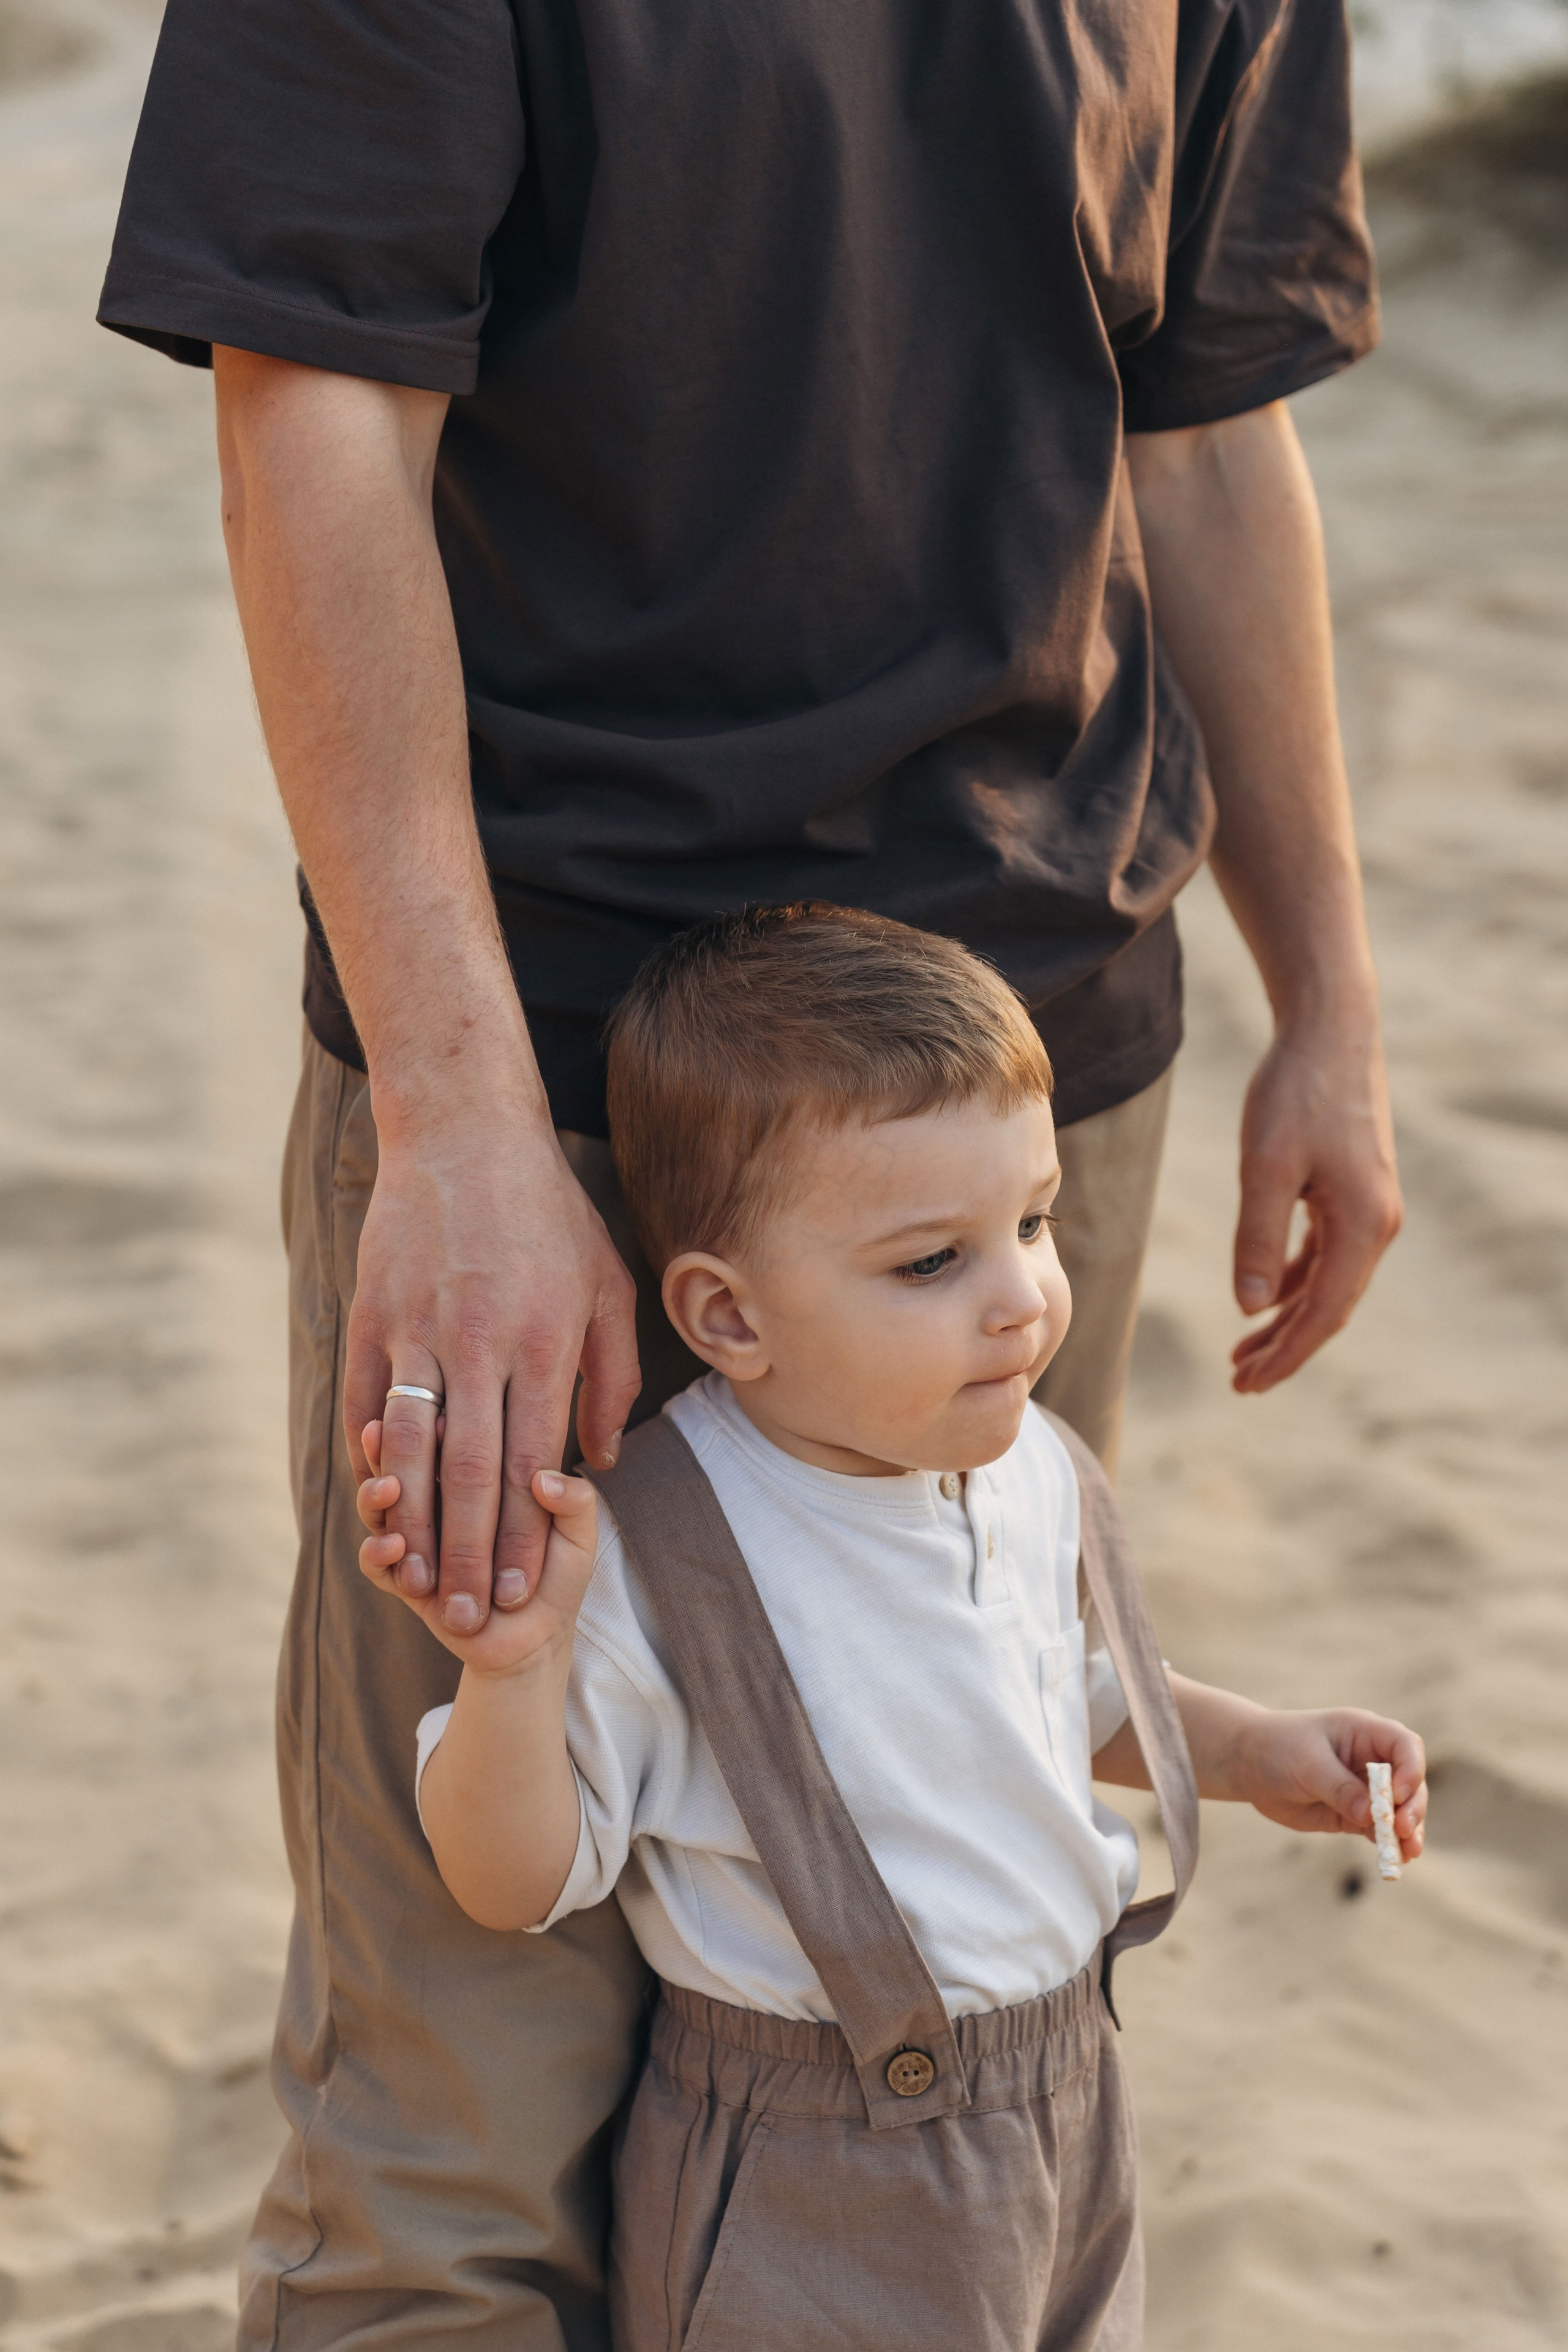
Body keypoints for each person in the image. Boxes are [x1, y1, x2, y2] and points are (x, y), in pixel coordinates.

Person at [96, 0, 1404, 2339]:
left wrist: (1332, 998)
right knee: (458, 2115)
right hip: (570, 1066)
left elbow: (1206, 427)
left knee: (929, 1919)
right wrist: (459, 1112)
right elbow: (314, 411)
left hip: (1029, 1065)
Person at [356, 907, 1427, 2351]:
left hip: (1067, 2105)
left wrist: (1248, 1748)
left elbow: (1054, 1697)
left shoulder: (1022, 1462)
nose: (1023, 1303)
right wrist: (510, 1670)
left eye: (1032, 1224)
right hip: (819, 2169)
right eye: (932, 1262)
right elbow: (507, 1879)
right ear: (726, 1319)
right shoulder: (662, 1550)